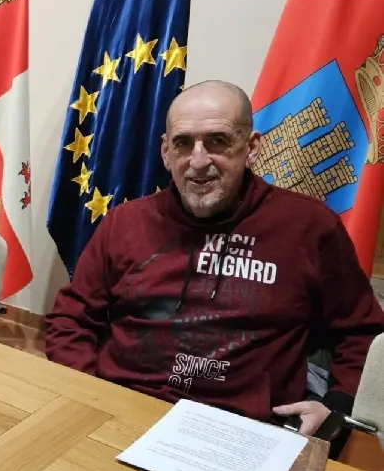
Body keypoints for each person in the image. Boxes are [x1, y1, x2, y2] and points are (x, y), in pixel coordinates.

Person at [44, 80, 384, 439]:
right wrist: (90, 393)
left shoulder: (309, 228)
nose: (199, 161)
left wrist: (337, 406)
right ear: (165, 153)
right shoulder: (125, 223)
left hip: (246, 430)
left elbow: (361, 333)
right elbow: (71, 319)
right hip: (123, 410)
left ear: (251, 148)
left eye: (218, 142)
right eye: (183, 143)